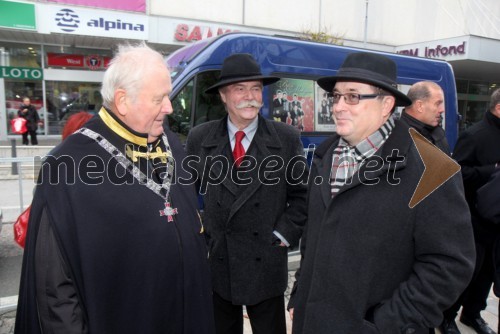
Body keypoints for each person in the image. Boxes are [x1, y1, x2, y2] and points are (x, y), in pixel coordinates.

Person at [15, 42, 215, 334]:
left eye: (168, 96)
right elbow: (54, 290)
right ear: (122, 100)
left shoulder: (169, 143)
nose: (169, 108)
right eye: (159, 98)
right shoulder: (67, 166)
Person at [287, 52, 475, 334]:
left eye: (352, 97)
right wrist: (300, 292)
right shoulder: (326, 155)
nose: (338, 106)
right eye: (336, 96)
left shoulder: (432, 167)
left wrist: (389, 322)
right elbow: (314, 235)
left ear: (386, 104)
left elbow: (450, 263)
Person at [185, 53, 307, 334]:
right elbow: (185, 194)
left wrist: (282, 235)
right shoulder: (200, 138)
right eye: (240, 89)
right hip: (218, 263)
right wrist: (202, 235)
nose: (250, 96)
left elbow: (303, 197)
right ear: (223, 97)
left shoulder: (286, 138)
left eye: (255, 89)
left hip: (265, 261)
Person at [442, 88, 500, 334]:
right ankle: (446, 317)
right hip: (474, 219)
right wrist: (492, 170)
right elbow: (457, 174)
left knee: (489, 273)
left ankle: (472, 314)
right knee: (467, 273)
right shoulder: (474, 135)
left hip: (498, 221)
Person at [400, 81, 450, 154]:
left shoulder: (438, 132)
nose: (442, 110)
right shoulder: (398, 138)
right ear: (420, 106)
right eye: (437, 103)